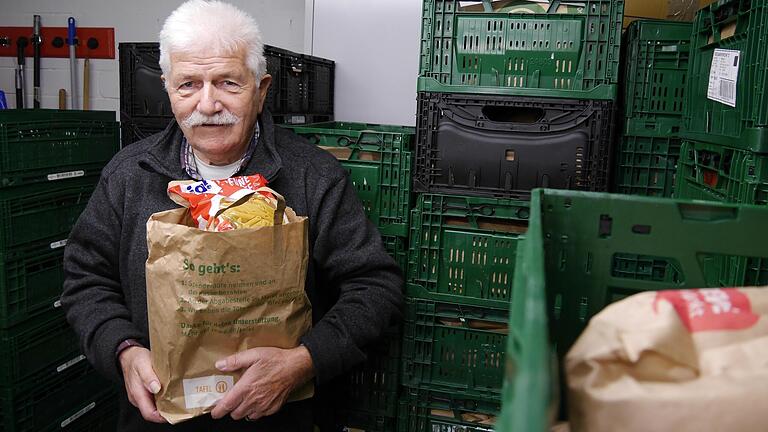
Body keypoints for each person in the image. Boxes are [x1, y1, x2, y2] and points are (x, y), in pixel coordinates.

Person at [60, 1, 404, 430]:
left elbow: (375, 286)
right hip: (158, 419)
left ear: (261, 90)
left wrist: (304, 361)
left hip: (280, 418)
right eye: (188, 84)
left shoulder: (312, 175)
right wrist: (123, 350)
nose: (208, 104)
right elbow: (84, 278)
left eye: (227, 82)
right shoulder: (129, 176)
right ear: (167, 88)